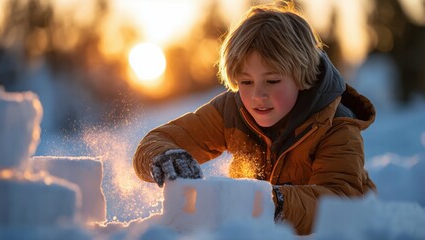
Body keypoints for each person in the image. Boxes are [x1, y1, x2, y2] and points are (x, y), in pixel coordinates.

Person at [133, 0, 376, 235]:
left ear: (302, 75)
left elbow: (342, 204)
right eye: (246, 82)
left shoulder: (337, 127)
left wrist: (273, 203)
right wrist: (164, 157)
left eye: (272, 81)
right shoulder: (232, 110)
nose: (258, 95)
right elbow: (158, 139)